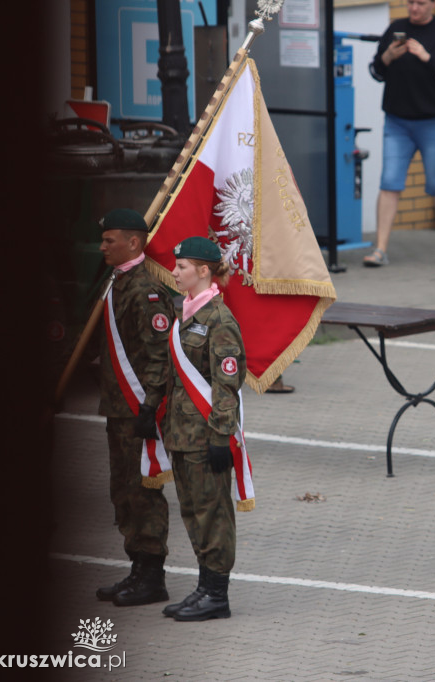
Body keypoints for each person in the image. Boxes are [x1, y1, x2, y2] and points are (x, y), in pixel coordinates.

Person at [162, 236, 246, 621]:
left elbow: (226, 386)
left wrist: (219, 437)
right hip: (181, 434)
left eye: (181, 267)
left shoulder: (219, 321)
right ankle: (202, 588)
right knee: (193, 512)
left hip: (205, 436)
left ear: (203, 271)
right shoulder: (187, 312)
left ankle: (217, 595)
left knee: (213, 514)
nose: (175, 272)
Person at [95, 208, 174, 607]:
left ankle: (152, 576)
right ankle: (136, 568)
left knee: (144, 491)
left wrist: (150, 406)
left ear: (134, 243)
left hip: (139, 410)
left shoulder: (146, 290)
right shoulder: (118, 282)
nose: (102, 246)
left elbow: (160, 354)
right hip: (118, 408)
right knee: (122, 490)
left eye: (110, 240)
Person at [364, 0, 435, 268]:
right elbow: (376, 71)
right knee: (389, 182)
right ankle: (380, 249)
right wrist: (388, 56)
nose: (414, 8)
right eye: (410, 2)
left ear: (434, 4)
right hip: (398, 122)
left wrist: (426, 56)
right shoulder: (395, 28)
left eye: (420, 3)